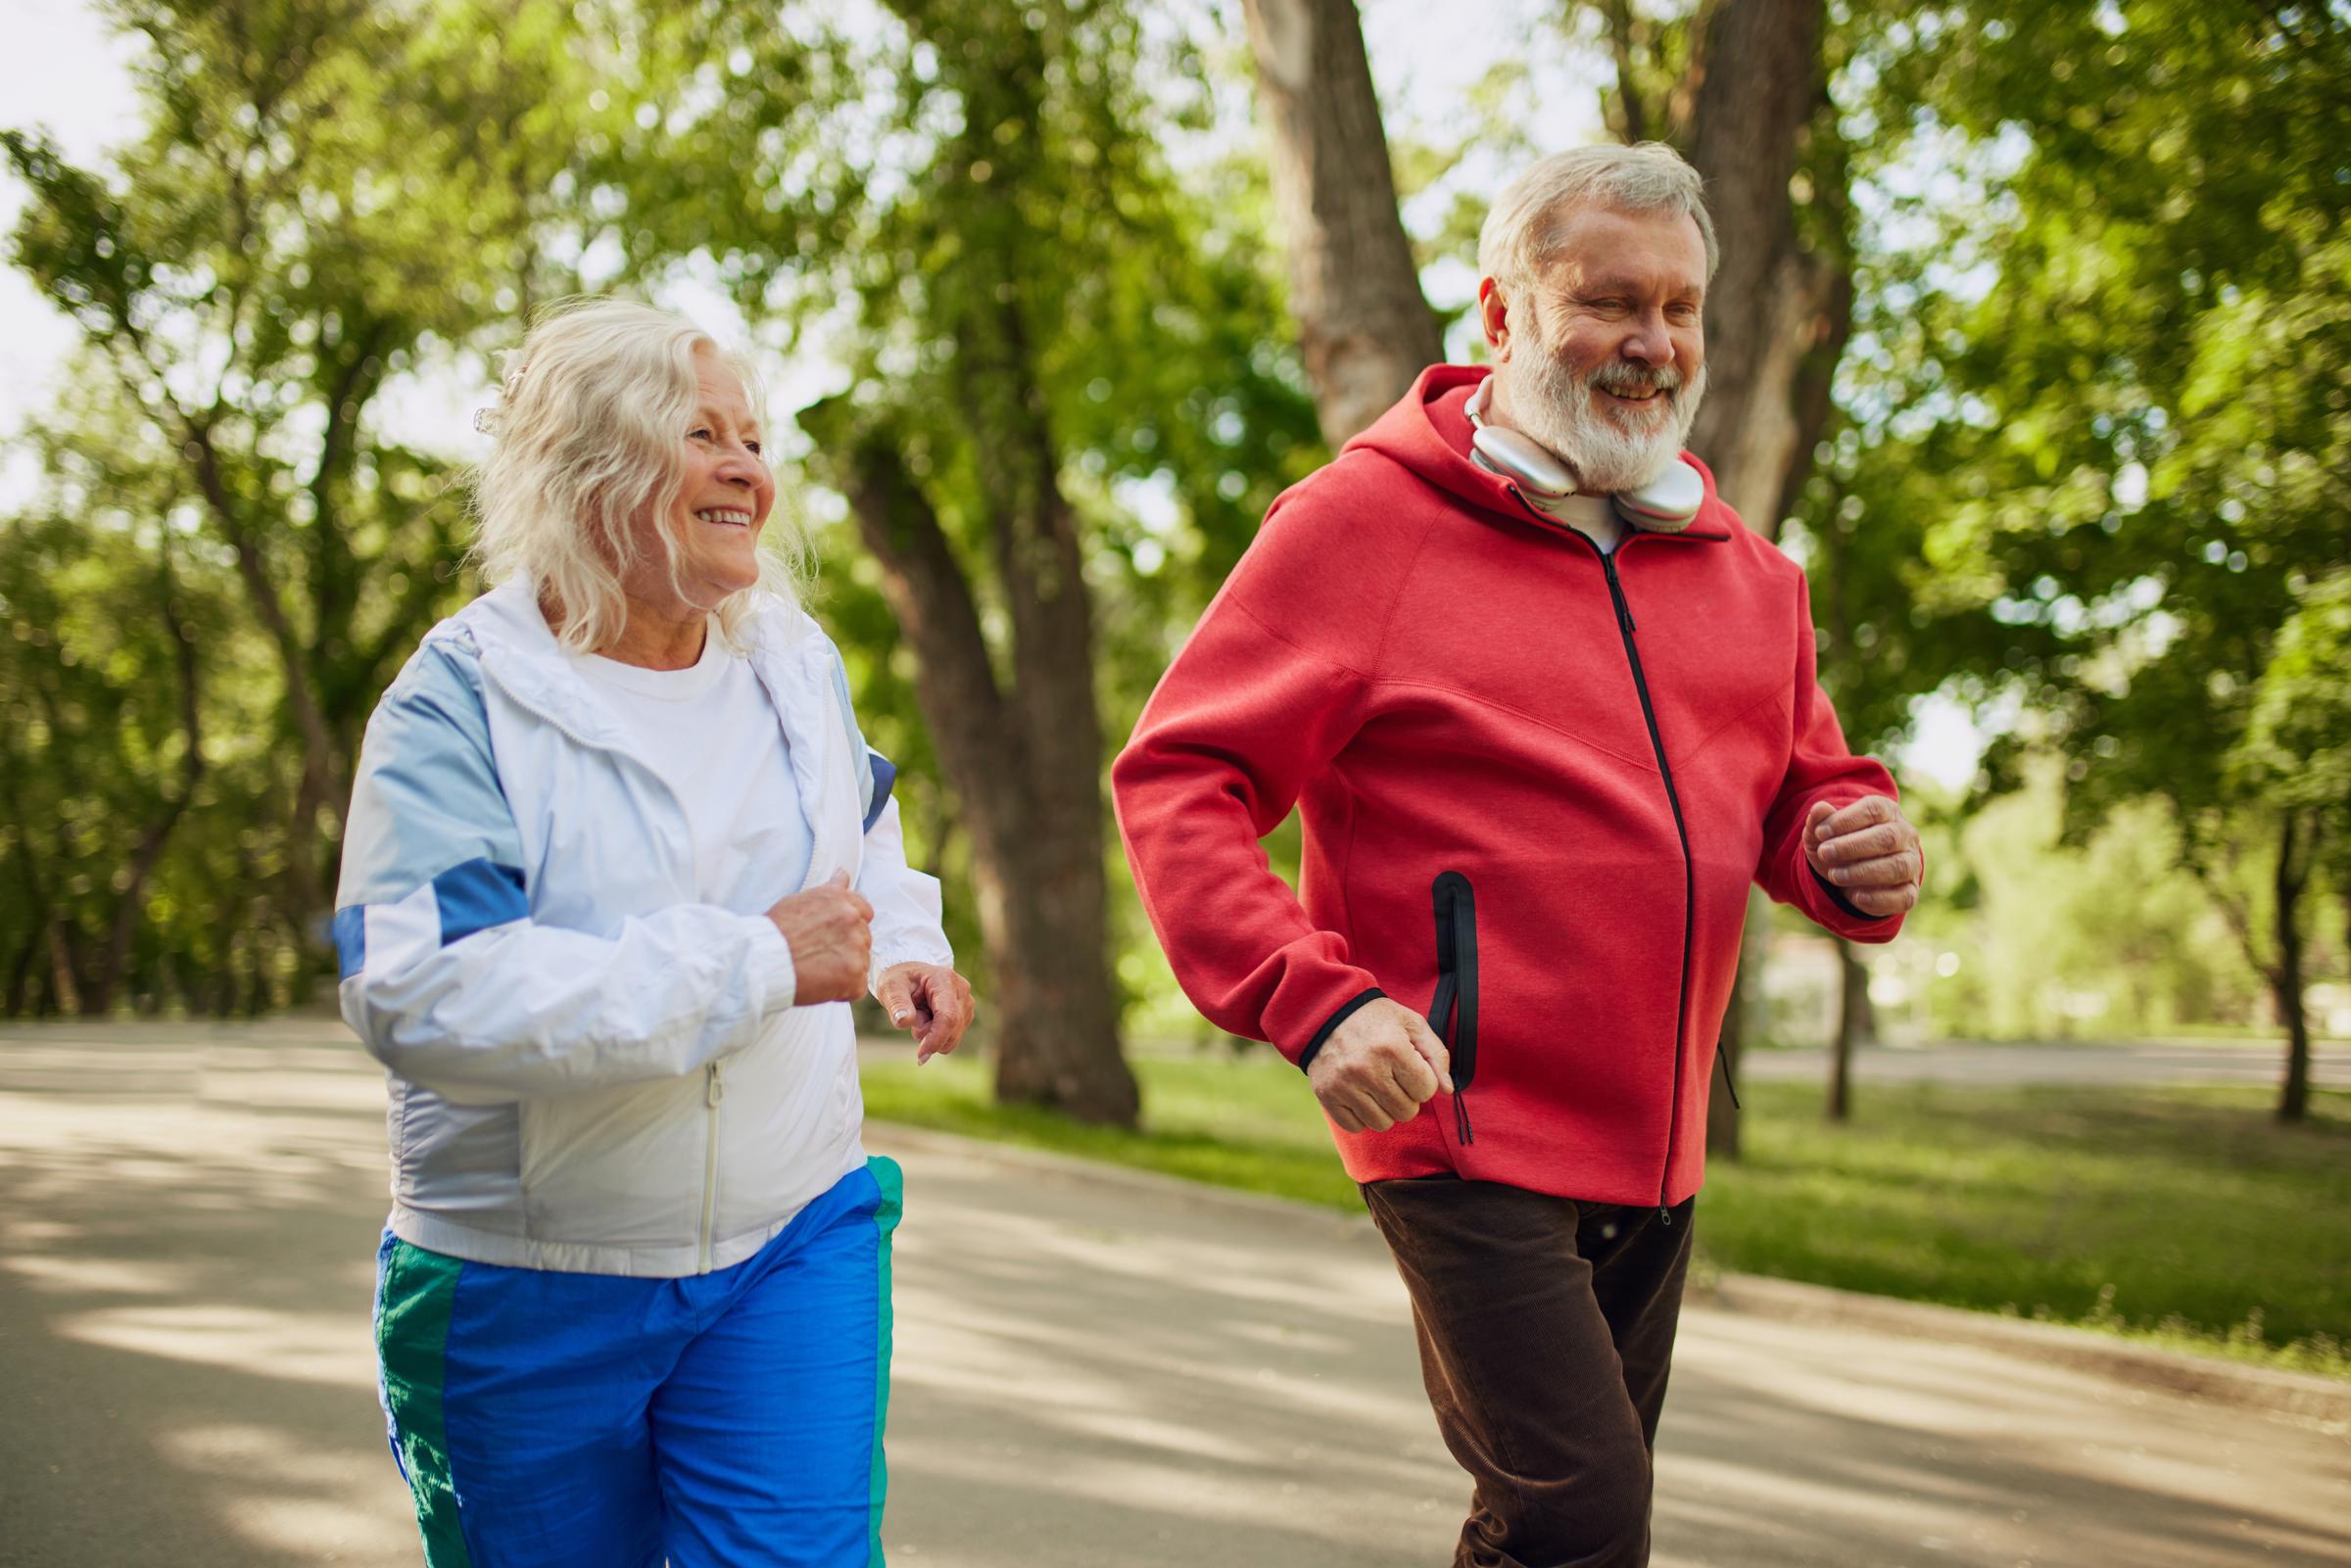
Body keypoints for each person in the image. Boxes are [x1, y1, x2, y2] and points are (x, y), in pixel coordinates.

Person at [1112, 143, 1921, 1568]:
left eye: (1679, 309)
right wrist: (1315, 999)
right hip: (1457, 1116)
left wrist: (1851, 846)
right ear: (1500, 315)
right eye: (1609, 300)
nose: (1650, 343)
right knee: (1579, 1513)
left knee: (1563, 1527)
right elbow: (1182, 775)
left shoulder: (1747, 570)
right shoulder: (1361, 524)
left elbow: (1805, 792)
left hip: (1658, 1144)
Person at [334, 298, 975, 1568]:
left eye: (751, 436)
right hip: (527, 1280)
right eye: (699, 435)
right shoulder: (459, 701)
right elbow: (421, 991)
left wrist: (906, 938)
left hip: (793, 1236)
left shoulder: (792, 661)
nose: (748, 465)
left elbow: (862, 822)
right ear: (588, 464)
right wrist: (759, 961)